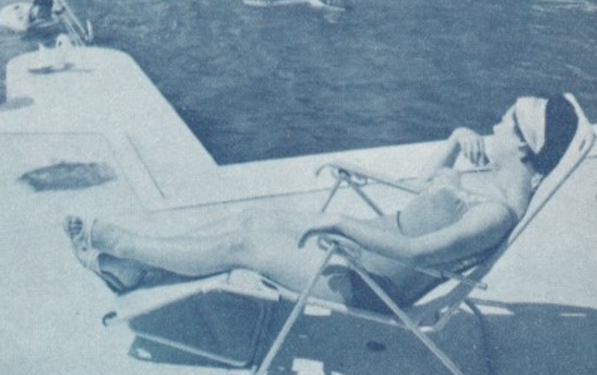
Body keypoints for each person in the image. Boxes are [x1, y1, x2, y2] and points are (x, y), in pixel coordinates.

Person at [64, 94, 578, 308]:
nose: (495, 123)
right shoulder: (490, 183)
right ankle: (136, 272)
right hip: (362, 253)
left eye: (505, 121)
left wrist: (340, 223)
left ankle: (125, 245)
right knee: (249, 216)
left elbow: (421, 256)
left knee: (244, 242)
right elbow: (423, 195)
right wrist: (451, 142)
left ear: (524, 146)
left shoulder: (495, 212)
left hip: (371, 284)